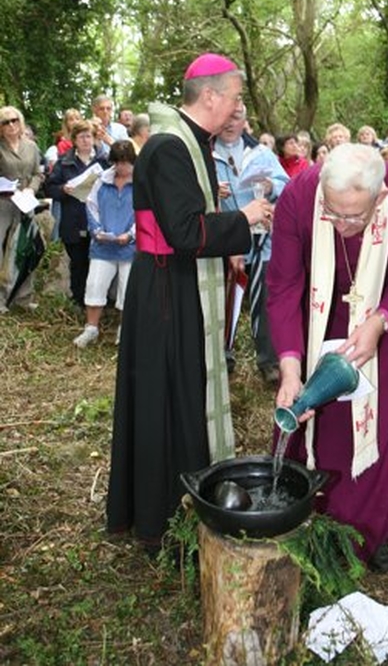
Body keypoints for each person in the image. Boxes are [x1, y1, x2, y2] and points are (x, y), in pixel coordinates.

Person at [106, 52, 273, 554]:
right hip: (166, 290)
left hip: (173, 282)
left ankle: (179, 502)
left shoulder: (187, 141)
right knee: (171, 396)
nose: (239, 106)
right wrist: (244, 217)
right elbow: (182, 232)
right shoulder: (171, 146)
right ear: (211, 97)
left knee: (180, 393)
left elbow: (184, 213)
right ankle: (164, 518)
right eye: (237, 97)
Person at [267, 143, 388, 573]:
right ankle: (313, 522)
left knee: (383, 425)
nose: (342, 226)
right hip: (319, 319)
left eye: (355, 217)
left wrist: (380, 322)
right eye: (333, 213)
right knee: (321, 425)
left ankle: (374, 530)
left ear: (380, 198)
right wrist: (290, 366)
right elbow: (284, 286)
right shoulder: (299, 196)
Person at [213, 106, 289, 383]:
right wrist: (211, 189)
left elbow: (286, 183)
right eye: (226, 117)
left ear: (246, 120)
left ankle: (268, 361)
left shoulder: (261, 153)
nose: (230, 123)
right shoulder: (206, 152)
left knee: (267, 302)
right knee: (225, 299)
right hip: (223, 239)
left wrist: (271, 186)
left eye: (237, 117)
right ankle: (223, 355)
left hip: (263, 240)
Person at [73, 141, 137, 348]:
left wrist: (130, 235)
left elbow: (147, 212)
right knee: (94, 285)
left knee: (128, 290)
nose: (121, 168)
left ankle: (124, 331)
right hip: (103, 245)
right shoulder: (102, 180)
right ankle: (91, 328)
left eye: (126, 163)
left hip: (129, 247)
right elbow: (91, 206)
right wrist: (97, 230)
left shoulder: (143, 181)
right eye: (117, 163)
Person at [45, 120, 108, 310]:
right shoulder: (64, 162)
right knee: (79, 262)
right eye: (81, 137)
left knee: (98, 263)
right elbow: (49, 188)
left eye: (89, 136)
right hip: (74, 218)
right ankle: (79, 300)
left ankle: (99, 301)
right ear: (74, 140)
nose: (86, 140)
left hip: (98, 220)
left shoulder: (103, 161)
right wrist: (63, 189)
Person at [0, 106, 45, 312]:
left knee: (26, 247)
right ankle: (1, 299)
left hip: (26, 202)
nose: (11, 125)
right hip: (3, 203)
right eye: (5, 122)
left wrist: (31, 190)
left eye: (14, 120)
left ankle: (23, 297)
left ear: (21, 122)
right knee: (1, 248)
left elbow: (38, 173)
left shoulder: (31, 146)